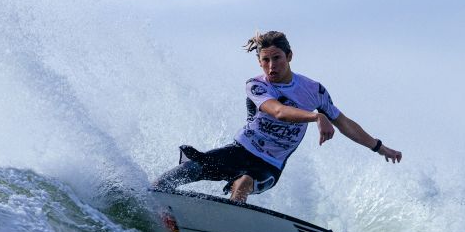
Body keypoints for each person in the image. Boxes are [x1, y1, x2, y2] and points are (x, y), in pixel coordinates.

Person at [153, 30, 402, 203]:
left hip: (269, 166)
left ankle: (230, 226)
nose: (272, 66)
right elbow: (279, 112)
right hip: (240, 150)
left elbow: (344, 123)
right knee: (185, 170)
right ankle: (153, 199)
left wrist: (379, 147)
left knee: (243, 183)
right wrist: (315, 117)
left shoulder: (313, 90)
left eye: (277, 58)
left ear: (289, 56)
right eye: (266, 60)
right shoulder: (256, 85)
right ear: (259, 61)